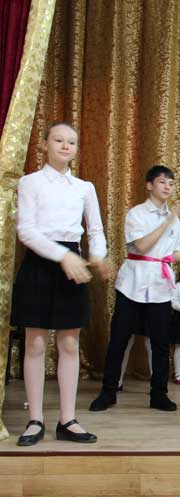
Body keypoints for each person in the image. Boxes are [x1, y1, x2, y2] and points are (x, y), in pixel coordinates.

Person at [12, 122, 112, 446]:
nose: (66, 146)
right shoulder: (29, 183)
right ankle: (35, 419)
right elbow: (26, 231)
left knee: (69, 344)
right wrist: (62, 257)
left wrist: (97, 257)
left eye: (72, 141)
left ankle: (67, 419)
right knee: (36, 343)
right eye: (58, 140)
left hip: (73, 264)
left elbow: (95, 231)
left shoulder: (84, 187)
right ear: (44, 144)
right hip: (40, 263)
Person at [89, 165, 180, 413]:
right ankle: (108, 392)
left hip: (160, 286)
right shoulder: (136, 214)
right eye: (162, 182)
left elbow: (172, 254)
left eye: (171, 183)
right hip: (132, 285)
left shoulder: (174, 219)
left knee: (160, 342)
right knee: (119, 340)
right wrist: (167, 220)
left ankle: (159, 394)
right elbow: (143, 246)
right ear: (149, 185)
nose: (168, 187)